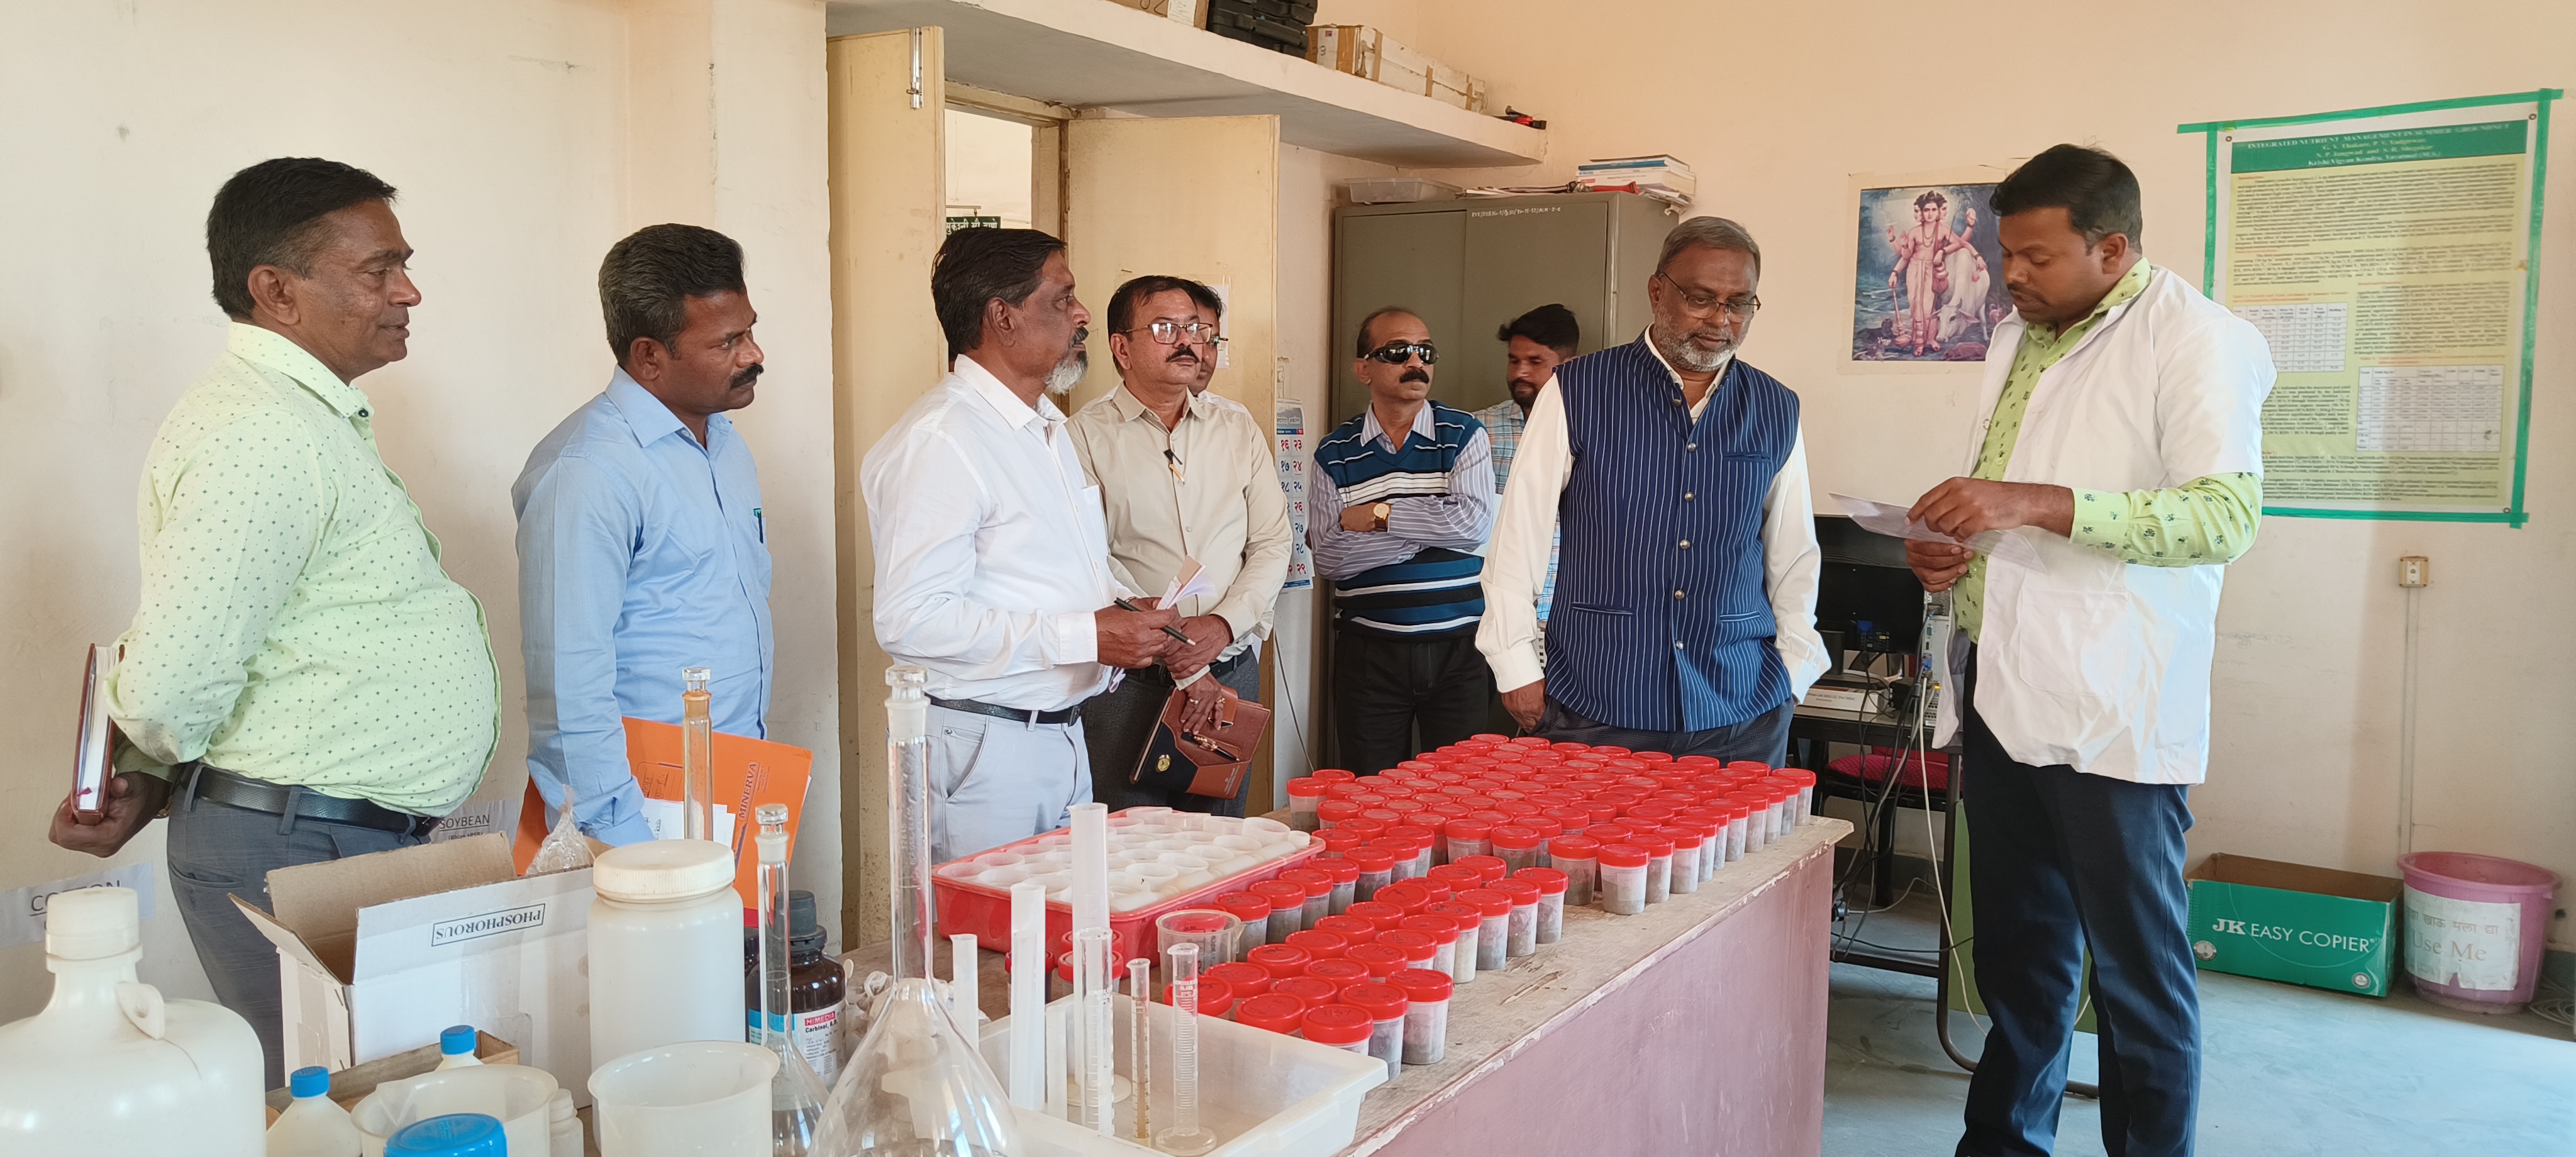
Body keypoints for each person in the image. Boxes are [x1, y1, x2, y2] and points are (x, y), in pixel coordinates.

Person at [48, 158, 499, 1086]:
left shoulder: (299, 418)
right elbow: (170, 688)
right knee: (334, 1117)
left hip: (325, 838)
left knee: (385, 1108)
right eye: (378, 269)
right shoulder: (261, 433)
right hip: (295, 846)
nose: (408, 291)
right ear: (277, 291)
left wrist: (153, 776)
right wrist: (151, 760)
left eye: (403, 264)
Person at [1906, 145, 2270, 1157]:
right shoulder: (2018, 338)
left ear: (2113, 250)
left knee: (2135, 974)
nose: (2010, 276)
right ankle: (2003, 1143)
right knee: (2021, 955)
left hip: (2113, 704)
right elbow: (2005, 497)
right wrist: (1950, 547)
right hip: (2001, 682)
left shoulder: (2197, 339)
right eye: (2005, 254)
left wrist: (2031, 503)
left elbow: (2224, 517)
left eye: (2036, 257)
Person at [862, 228, 1180, 861]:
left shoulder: (1044, 428)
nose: (1083, 314)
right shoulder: (944, 440)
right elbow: (910, 619)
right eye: (1063, 298)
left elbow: (1048, 566)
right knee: (990, 925)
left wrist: (1124, 609)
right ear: (1002, 317)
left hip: (1060, 735)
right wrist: (1084, 636)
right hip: (987, 746)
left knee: (1060, 918)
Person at [1477, 217, 1827, 763]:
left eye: (1740, 303)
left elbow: (1794, 553)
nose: (1721, 320)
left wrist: (1794, 670)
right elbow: (1518, 538)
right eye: (1701, 299)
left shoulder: (1776, 407)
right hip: (1597, 701)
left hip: (1741, 708)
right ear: (1657, 291)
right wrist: (1515, 666)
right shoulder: (1578, 390)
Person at [514, 225, 772, 844]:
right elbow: (569, 684)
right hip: (637, 812)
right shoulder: (589, 471)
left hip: (729, 782)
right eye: (728, 342)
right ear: (649, 356)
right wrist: (620, 837)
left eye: (749, 330)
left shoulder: (724, 444)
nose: (753, 354)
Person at [1069, 275, 1292, 815]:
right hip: (1130, 684)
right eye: (1166, 328)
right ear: (1121, 348)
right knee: (1131, 844)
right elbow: (1090, 562)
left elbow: (1272, 541)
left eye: (1195, 328)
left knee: (1219, 840)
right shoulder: (1082, 437)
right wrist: (1183, 657)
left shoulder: (1236, 427)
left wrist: (1222, 627)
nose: (1188, 341)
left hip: (1230, 668)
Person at [1309, 307, 1497, 775]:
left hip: (1461, 647)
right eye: (1398, 352)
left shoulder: (1463, 434)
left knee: (1460, 791)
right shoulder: (1334, 453)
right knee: (1371, 788)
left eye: (1425, 352)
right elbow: (1330, 557)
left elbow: (1472, 526)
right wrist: (1429, 532)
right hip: (1369, 653)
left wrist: (1380, 516)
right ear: (1363, 369)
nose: (1416, 362)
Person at [1473, 304, 1578, 647]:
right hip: (1489, 616)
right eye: (1514, 360)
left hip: (1567, 615)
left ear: (1569, 365)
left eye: (1535, 362)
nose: (1520, 372)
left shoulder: (1596, 432)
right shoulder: (1478, 431)